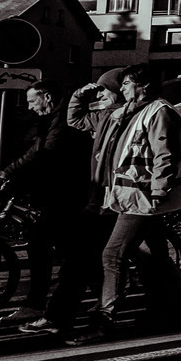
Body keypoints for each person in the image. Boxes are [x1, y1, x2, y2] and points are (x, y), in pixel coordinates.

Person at [89, 64, 181, 340]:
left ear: (145, 86)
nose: (123, 88)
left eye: (127, 83)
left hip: (142, 198)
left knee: (112, 254)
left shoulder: (160, 112)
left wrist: (158, 192)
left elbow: (165, 154)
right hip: (130, 195)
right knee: (157, 256)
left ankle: (104, 319)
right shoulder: (133, 111)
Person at [23, 69, 135, 341]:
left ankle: (94, 319)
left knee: (100, 258)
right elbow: (75, 119)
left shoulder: (133, 117)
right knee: (83, 258)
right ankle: (59, 316)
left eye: (105, 91)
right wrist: (79, 94)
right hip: (102, 200)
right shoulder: (109, 116)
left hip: (120, 200)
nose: (102, 95)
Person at [0, 82, 89, 325]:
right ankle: (45, 303)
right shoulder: (52, 120)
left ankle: (41, 306)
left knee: (50, 247)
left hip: (65, 194)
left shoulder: (63, 121)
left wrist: (12, 176)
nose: (30, 107)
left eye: (32, 101)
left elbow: (46, 156)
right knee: (60, 248)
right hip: (56, 193)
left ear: (46, 96)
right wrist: (9, 172)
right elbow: (35, 152)